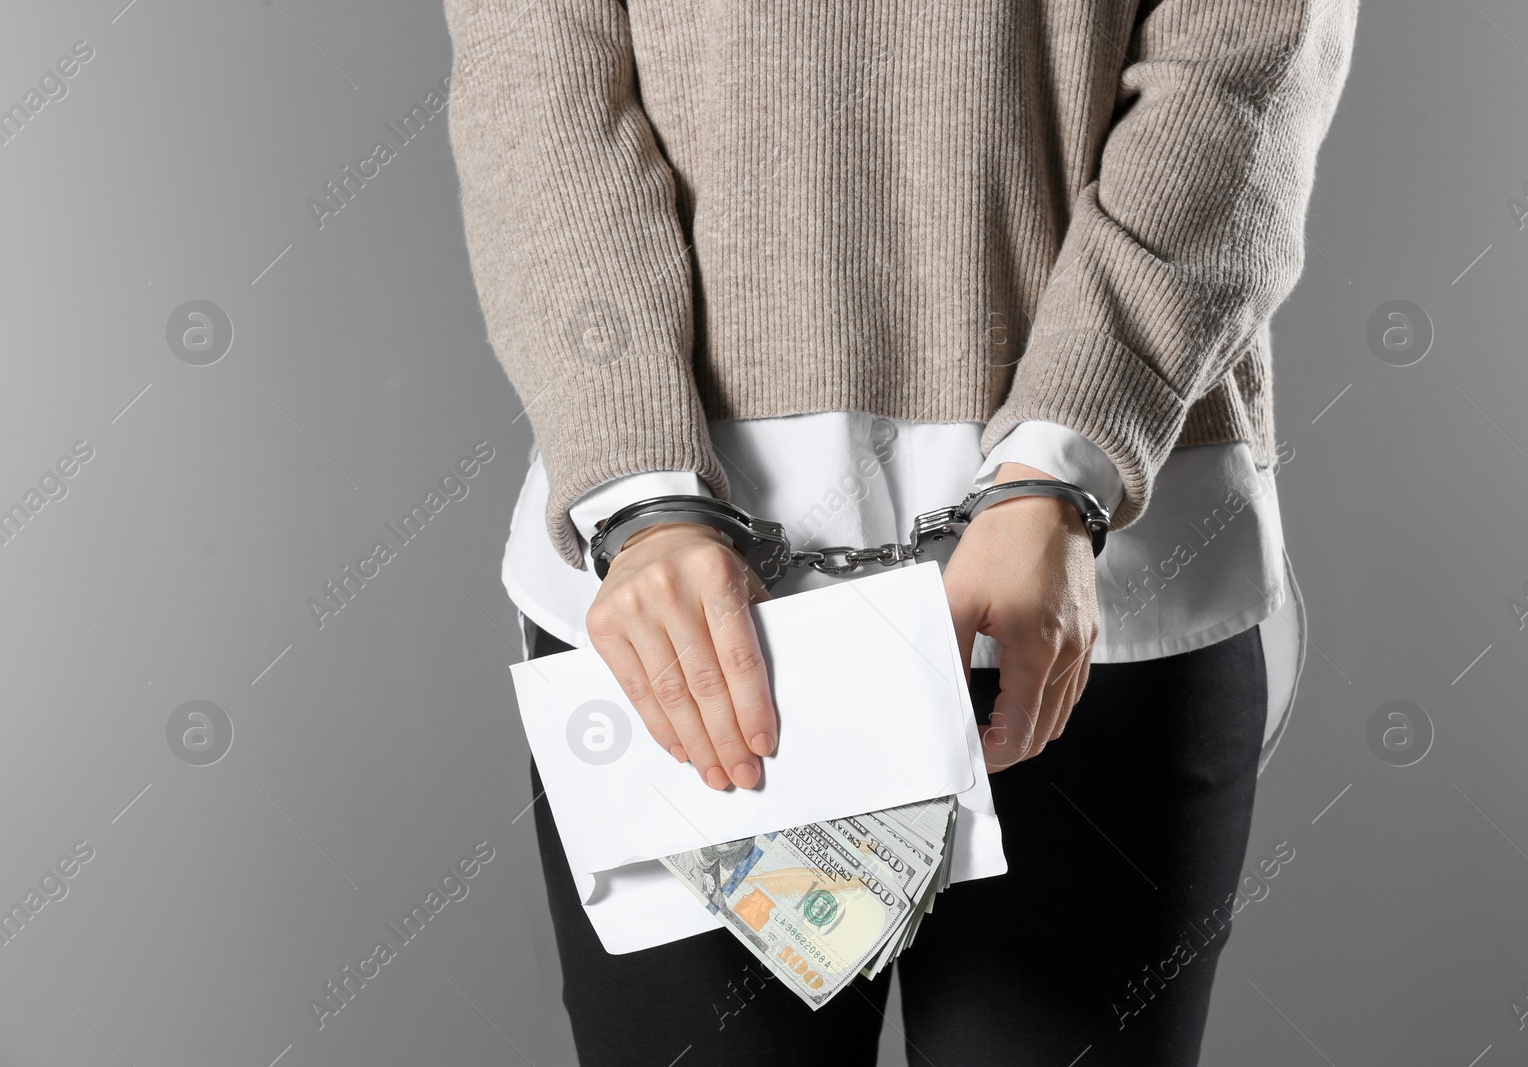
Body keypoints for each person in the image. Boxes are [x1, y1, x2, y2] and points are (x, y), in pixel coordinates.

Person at [445, 1, 1356, 1063]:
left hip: (1083, 589)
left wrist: (1066, 461)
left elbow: (1244, 63)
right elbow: (538, 79)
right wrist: (640, 488)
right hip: (693, 600)